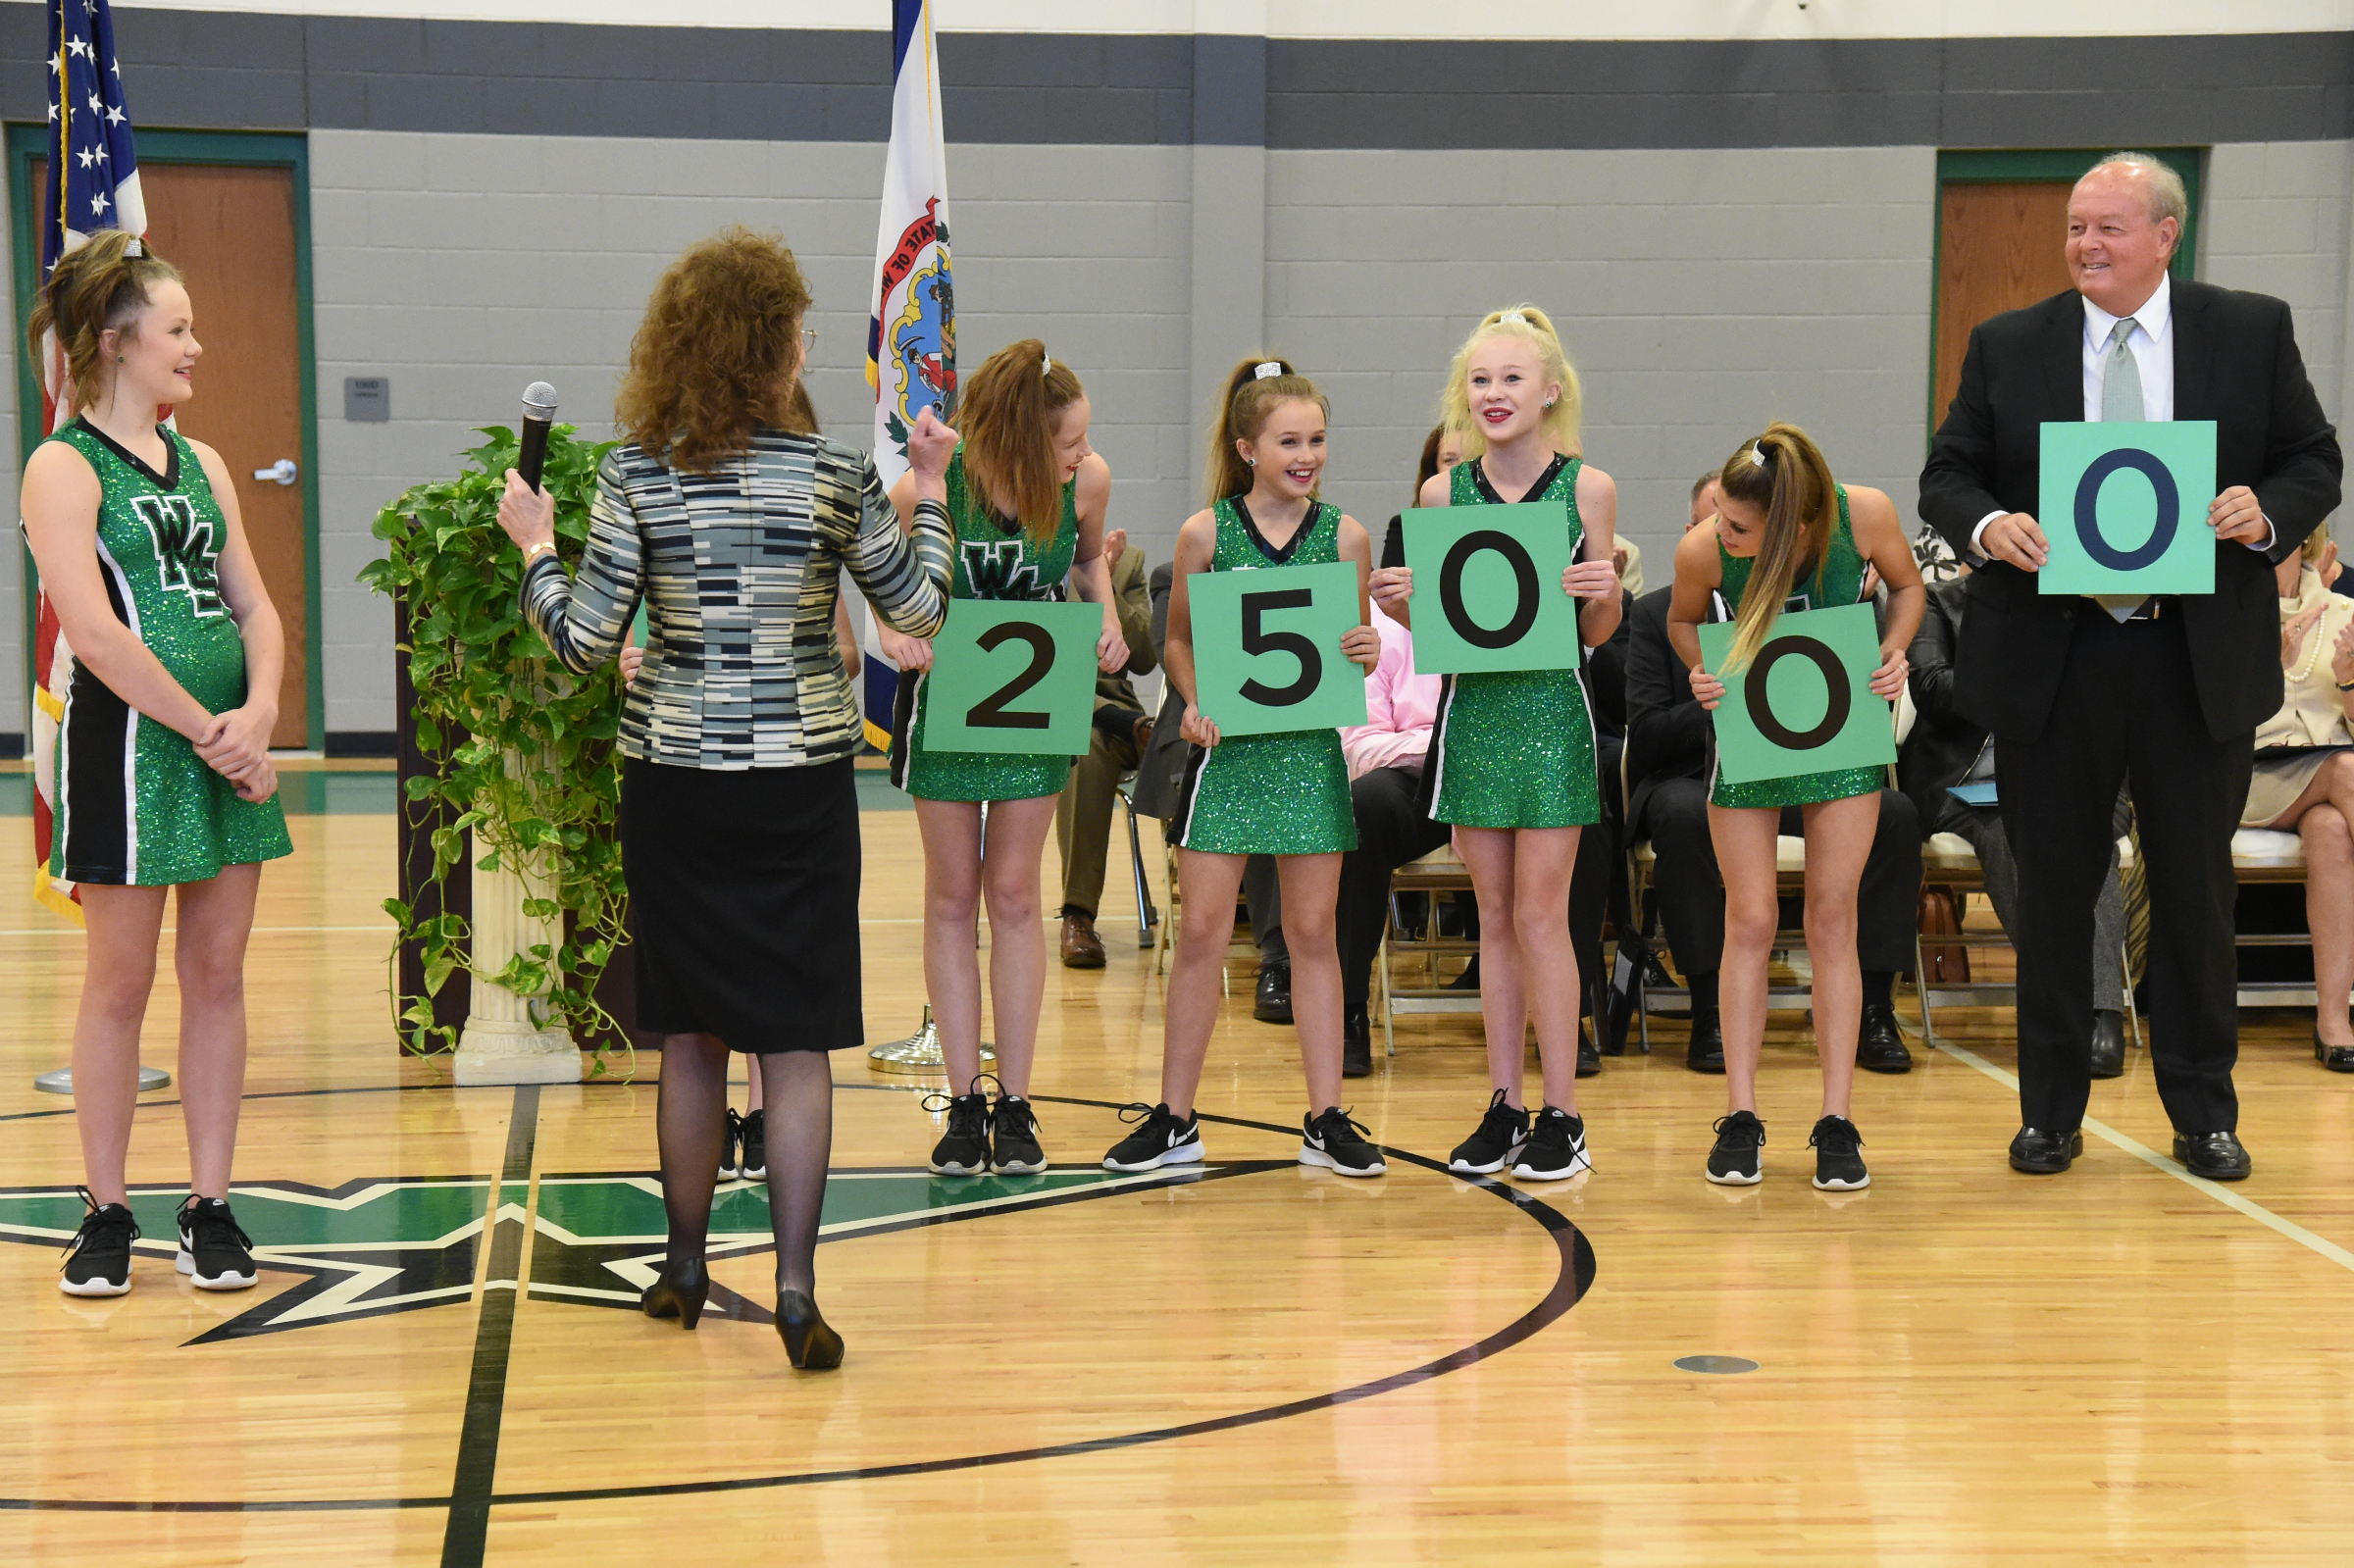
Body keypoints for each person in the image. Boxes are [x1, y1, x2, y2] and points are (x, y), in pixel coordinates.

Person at [505, 227, 955, 1369]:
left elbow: (583, 643)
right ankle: (797, 1292)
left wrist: (535, 553)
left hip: (677, 787)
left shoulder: (633, 474)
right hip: (799, 786)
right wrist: (936, 494)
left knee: (692, 1038)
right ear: (775, 346)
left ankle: (685, 1268)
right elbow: (918, 611)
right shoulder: (834, 477)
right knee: (794, 1044)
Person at [1919, 152, 2343, 1181]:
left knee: (2198, 891)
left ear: (2166, 236)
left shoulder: (2248, 330)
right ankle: (2051, 1112)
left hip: (2190, 655)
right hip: (2053, 659)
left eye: (2108, 227)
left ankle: (2204, 1112)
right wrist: (1989, 525)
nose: (2084, 245)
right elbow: (1946, 475)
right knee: (2055, 891)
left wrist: (2266, 514)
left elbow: (2313, 460)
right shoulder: (2009, 343)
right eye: (2075, 227)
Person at [24, 229, 293, 1298]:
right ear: (116, 342)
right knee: (119, 986)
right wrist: (208, 727)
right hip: (130, 748)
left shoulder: (209, 463)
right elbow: (92, 632)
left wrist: (261, 711)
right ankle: (105, 1210)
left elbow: (256, 604)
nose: (196, 347)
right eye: (177, 330)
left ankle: (210, 1206)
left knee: (218, 979)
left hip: (226, 746)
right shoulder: (61, 464)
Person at [1103, 357, 1384, 1177]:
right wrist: (1190, 699)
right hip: (1227, 759)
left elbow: (1352, 653)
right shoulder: (1206, 533)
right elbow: (1181, 642)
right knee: (1199, 934)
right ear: (1247, 446)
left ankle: (1327, 1117)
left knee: (1312, 937)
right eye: (1289, 440)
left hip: (1307, 758)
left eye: (1318, 439)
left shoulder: (1348, 536)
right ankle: (1175, 1119)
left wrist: (1367, 648)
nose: (1308, 455)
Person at [1370, 306, 1620, 1183]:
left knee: (1543, 916)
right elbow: (1437, 630)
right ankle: (1506, 1103)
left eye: (1512, 378)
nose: (1494, 393)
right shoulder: (1442, 495)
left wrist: (1603, 588)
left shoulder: (1588, 488)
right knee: (1496, 918)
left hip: (1552, 714)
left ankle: (1565, 1113)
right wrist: (1399, 603)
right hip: (1472, 719)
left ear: (1551, 390)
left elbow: (1601, 627)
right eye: (1480, 380)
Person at [879, 341, 1129, 1179]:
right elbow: (874, 574)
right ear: (1022, 437)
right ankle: (962, 1099)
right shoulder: (930, 481)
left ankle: (1017, 1099)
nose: (1083, 457)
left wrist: (1105, 614)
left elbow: (1089, 561)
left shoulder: (1084, 485)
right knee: (952, 896)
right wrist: (890, 633)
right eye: (1068, 442)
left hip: (1036, 695)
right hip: (947, 702)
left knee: (1018, 894)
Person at [1668, 424, 1924, 1190]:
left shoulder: (1866, 515)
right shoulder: (1704, 550)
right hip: (1751, 722)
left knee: (1832, 916)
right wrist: (1696, 670)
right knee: (1748, 918)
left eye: (1740, 525)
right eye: (1720, 518)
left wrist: (1894, 647)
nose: (1721, 530)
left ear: (1793, 523)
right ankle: (1741, 1115)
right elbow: (1682, 620)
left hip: (1843, 723)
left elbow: (1909, 587)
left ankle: (1837, 1120)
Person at [1903, 577, 2134, 1075]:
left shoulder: (2079, 597)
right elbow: (1929, 687)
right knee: (2011, 835)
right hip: (1966, 782)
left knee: (2088, 840)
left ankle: (2103, 1014)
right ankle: (2069, 1009)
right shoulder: (1941, 601)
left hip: (2072, 772)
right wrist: (2023, 673)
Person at [2241, 530, 2354, 1070]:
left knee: (2333, 830)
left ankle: (2333, 1023)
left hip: (2328, 779)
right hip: (2250, 774)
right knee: (2346, 769)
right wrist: (2267, 667)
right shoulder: (2227, 612)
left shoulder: (2343, 610)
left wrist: (2352, 683)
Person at [1336, 600, 1449, 1077]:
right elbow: (1360, 746)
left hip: (1504, 775)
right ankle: (1348, 1012)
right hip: (1418, 782)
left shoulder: (1519, 601)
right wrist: (1443, 742)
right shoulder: (1375, 626)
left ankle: (1577, 1017)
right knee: (1365, 806)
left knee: (1583, 806)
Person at [1055, 526, 1157, 967]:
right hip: (1023, 703)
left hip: (1106, 713)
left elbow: (1143, 656)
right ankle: (1077, 914)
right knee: (1083, 745)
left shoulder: (1127, 561)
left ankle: (1235, 904)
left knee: (1094, 741)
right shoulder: (1012, 553)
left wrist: (1106, 583)